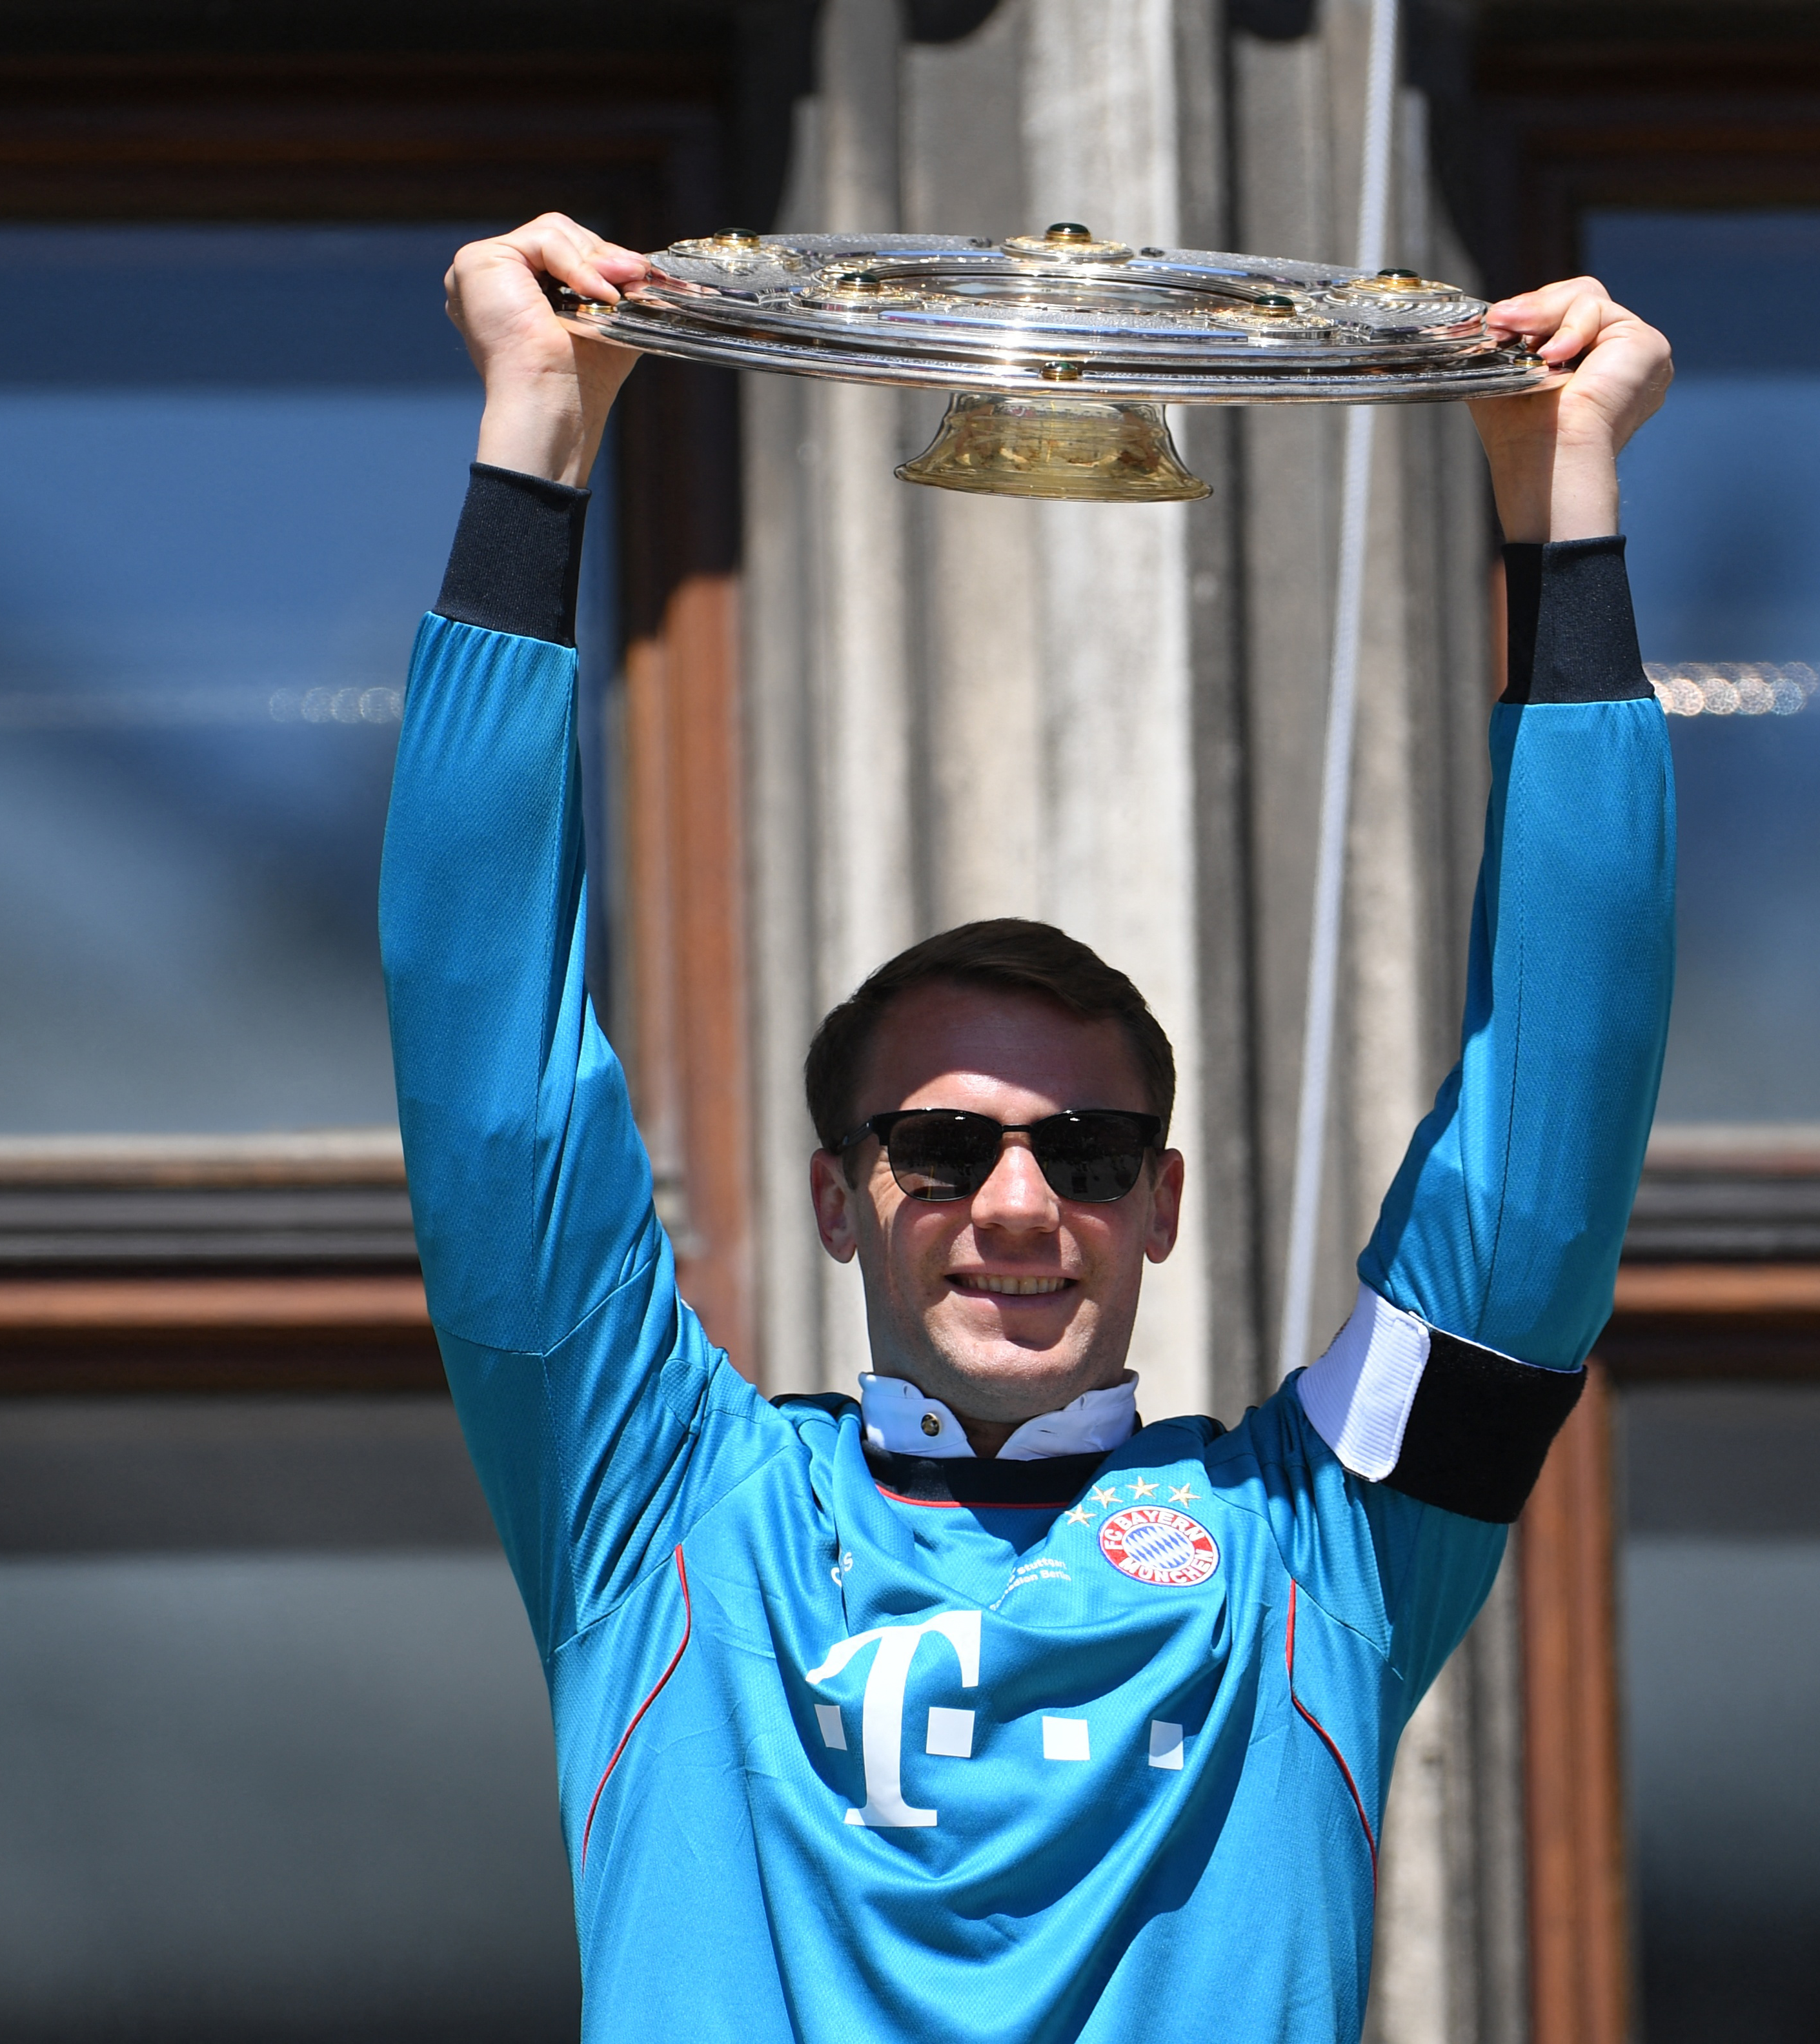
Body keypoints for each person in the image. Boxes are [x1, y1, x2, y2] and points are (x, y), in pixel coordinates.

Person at [382, 212, 1673, 2043]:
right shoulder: (655, 1501)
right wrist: (536, 436)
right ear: (839, 1198)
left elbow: (1552, 1133)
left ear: (1159, 1201)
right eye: (939, 1150)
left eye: (1084, 1156)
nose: (1014, 1205)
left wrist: (1563, 507)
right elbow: (488, 1060)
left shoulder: (1321, 1544)